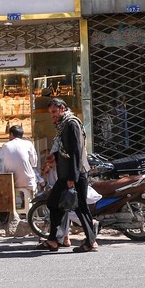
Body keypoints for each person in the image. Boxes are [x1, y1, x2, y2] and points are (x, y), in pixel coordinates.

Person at [38, 98, 99, 253]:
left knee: (79, 207)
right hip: (67, 174)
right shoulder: (64, 125)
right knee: (55, 203)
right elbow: (67, 150)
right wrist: (56, 157)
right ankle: (54, 239)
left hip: (74, 174)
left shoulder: (71, 124)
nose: (52, 116)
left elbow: (76, 152)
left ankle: (89, 242)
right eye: (50, 114)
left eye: (54, 112)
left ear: (62, 109)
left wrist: (73, 177)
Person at [1, 124, 39, 222]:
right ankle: (29, 207)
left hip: (11, 181)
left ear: (12, 134)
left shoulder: (5, 145)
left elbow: (5, 165)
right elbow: (34, 163)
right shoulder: (28, 144)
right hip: (27, 181)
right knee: (32, 178)